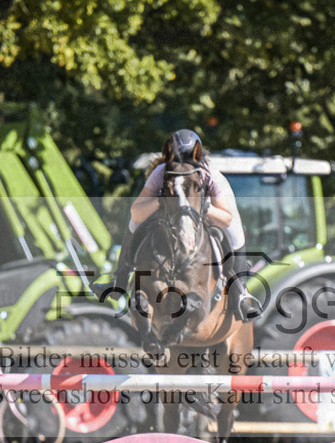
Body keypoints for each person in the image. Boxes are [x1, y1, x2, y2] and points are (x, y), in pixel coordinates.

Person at [92, 129, 261, 322]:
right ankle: (119, 281)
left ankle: (240, 294)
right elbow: (136, 211)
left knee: (235, 234)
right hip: (172, 211)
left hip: (209, 211)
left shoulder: (212, 176)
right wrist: (161, 201)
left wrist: (205, 207)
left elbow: (226, 218)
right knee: (134, 223)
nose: (181, 164)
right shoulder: (160, 173)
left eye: (188, 159)